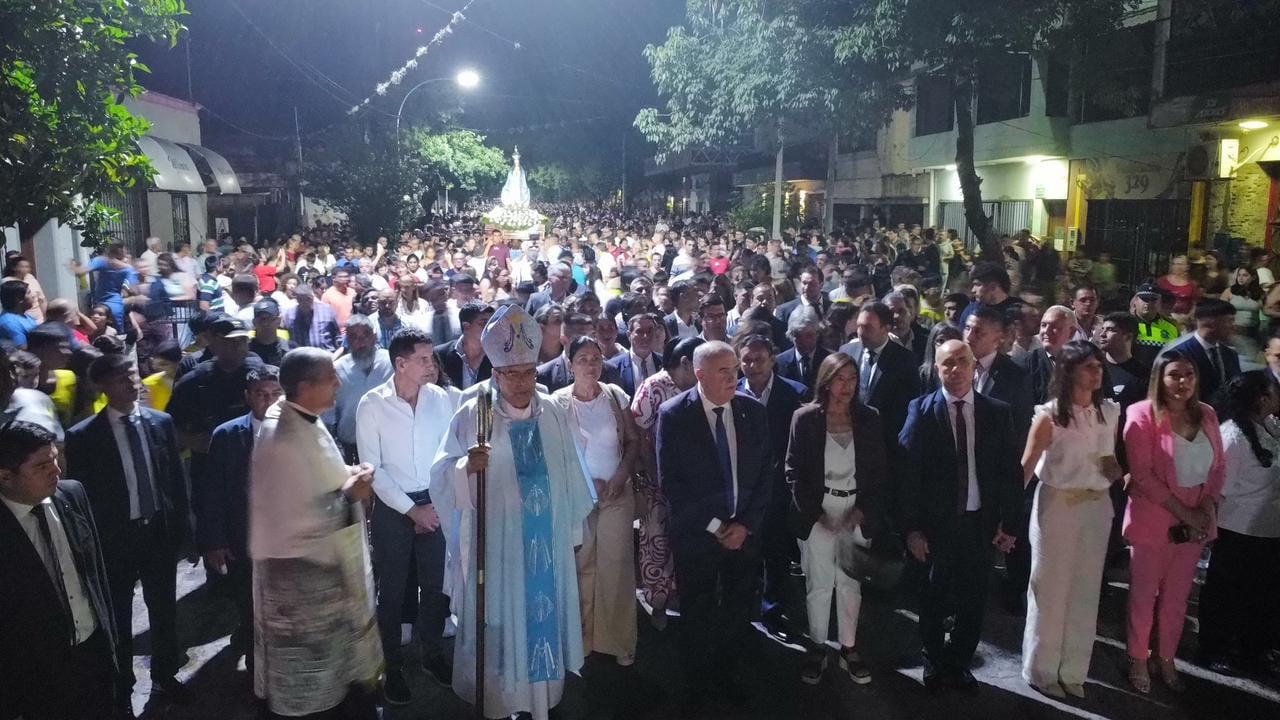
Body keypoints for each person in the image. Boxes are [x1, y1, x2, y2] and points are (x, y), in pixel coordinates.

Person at [430, 304, 595, 720]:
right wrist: (467, 468)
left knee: (542, 618)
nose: (522, 382)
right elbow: (441, 473)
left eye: (528, 372)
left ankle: (540, 701)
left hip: (547, 545)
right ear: (496, 373)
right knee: (501, 624)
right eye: (511, 374)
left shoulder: (552, 411)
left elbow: (571, 471)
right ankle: (502, 703)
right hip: (499, 547)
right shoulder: (475, 411)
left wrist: (572, 533)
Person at [249, 348, 382, 719]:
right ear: (305, 387)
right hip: (301, 588)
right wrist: (349, 493)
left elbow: (312, 480)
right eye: (330, 378)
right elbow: (289, 519)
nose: (339, 383)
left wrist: (347, 474)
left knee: (341, 675)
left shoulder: (299, 416)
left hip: (324, 583)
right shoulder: (283, 437)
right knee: (316, 693)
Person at [65, 353, 191, 713]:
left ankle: (166, 674)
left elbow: (174, 480)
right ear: (102, 385)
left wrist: (182, 530)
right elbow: (82, 495)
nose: (132, 383)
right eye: (122, 377)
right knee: (118, 615)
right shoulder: (85, 436)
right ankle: (122, 685)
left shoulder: (160, 422)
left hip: (158, 533)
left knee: (164, 609)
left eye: (134, 375)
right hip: (115, 539)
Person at [898, 340, 1022, 694]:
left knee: (973, 598)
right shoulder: (921, 410)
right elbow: (907, 475)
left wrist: (1010, 524)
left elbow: (1010, 473)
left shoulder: (997, 412)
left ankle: (959, 663)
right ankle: (934, 660)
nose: (955, 370)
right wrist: (912, 530)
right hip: (937, 526)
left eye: (962, 362)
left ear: (974, 366)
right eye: (947, 363)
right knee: (933, 596)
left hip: (979, 523)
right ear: (936, 369)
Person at [656, 341, 774, 712]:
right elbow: (673, 484)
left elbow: (765, 475)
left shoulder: (753, 411)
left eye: (734, 368)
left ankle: (729, 675)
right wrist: (718, 528)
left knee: (738, 611)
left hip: (744, 536)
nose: (734, 377)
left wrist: (746, 525)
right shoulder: (674, 415)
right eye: (723, 371)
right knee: (698, 613)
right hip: (697, 538)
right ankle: (697, 685)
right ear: (700, 374)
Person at [1017, 341, 1123, 699]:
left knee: (1085, 589)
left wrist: (1117, 472)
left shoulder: (1108, 411)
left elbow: (1109, 458)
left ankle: (1073, 669)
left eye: (1099, 366)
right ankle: (1042, 669)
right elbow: (1026, 467)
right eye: (1089, 366)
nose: (1097, 372)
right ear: (1069, 371)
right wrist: (1006, 517)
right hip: (1058, 505)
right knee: (1050, 589)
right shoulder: (1049, 416)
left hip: (1097, 506)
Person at [355, 328, 456, 704]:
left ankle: (432, 653)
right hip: (393, 507)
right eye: (423, 359)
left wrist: (436, 503)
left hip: (435, 503)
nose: (432, 365)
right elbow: (373, 469)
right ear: (401, 364)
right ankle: (391, 665)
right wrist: (412, 510)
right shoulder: (372, 405)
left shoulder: (440, 399)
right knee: (393, 591)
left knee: (435, 586)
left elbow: (449, 453)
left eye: (432, 358)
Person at [1121, 350, 1226, 693]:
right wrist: (1187, 513)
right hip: (1155, 519)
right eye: (1174, 375)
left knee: (1177, 598)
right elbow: (1142, 475)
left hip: (1195, 524)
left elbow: (1218, 468)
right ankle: (1137, 656)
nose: (1183, 382)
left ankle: (1166, 656)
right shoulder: (1141, 414)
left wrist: (1205, 508)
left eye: (1189, 375)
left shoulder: (1207, 414)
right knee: (1144, 595)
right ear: (1159, 379)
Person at [0, 421, 119, 720]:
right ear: (5, 476)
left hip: (93, 654)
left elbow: (96, 574)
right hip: (36, 675)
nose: (56, 470)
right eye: (42, 466)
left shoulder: (72, 495)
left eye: (55, 458)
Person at [786, 352, 888, 686]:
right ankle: (817, 646)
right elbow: (793, 472)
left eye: (852, 379)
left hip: (855, 510)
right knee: (818, 583)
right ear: (826, 382)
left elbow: (879, 472)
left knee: (850, 584)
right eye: (839, 379)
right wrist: (816, 515)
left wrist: (862, 511)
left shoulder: (869, 418)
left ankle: (848, 648)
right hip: (817, 512)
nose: (846, 387)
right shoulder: (805, 419)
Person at [553, 336, 641, 666]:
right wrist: (585, 483)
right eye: (583, 359)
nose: (590, 365)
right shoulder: (557, 403)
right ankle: (583, 640)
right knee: (581, 568)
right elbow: (555, 454)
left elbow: (632, 441)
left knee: (616, 568)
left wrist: (620, 476)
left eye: (595, 358)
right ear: (570, 364)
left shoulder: (615, 396)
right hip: (577, 498)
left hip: (616, 494)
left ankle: (618, 641)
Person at [195, 364, 282, 674]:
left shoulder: (299, 430)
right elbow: (213, 492)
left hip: (286, 538)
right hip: (244, 537)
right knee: (250, 604)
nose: (269, 401)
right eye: (261, 394)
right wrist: (214, 542)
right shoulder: (228, 435)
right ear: (247, 397)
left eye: (275, 394)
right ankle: (257, 670)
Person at [1197, 372, 1280, 676]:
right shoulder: (1232, 436)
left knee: (1261, 594)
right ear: (1262, 398)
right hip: (1237, 530)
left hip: (1268, 529)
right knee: (1226, 593)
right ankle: (1212, 649)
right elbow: (1219, 489)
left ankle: (1252, 649)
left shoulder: (1270, 426)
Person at [630, 336, 705, 629]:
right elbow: (638, 434)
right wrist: (652, 475)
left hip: (695, 485)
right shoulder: (654, 387)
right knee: (658, 545)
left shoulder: (701, 387)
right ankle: (659, 605)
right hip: (657, 484)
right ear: (685, 363)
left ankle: (690, 603)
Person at [736, 333, 807, 641]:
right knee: (744, 555)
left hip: (779, 490)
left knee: (776, 553)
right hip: (743, 491)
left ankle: (773, 611)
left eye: (759, 360)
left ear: (773, 359)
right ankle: (743, 613)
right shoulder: (731, 393)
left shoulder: (795, 394)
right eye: (747, 360)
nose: (753, 366)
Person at [839, 301, 918, 446]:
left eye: (868, 328)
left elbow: (906, 406)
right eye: (859, 326)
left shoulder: (904, 361)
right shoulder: (846, 352)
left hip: (885, 442)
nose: (861, 333)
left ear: (886, 328)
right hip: (848, 438)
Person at [329, 315, 393, 461]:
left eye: (366, 335)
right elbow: (329, 413)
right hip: (351, 446)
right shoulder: (336, 370)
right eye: (354, 337)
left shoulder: (392, 362)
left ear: (375, 337)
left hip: (389, 444)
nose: (361, 341)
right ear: (347, 340)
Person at [1166, 299, 1240, 403]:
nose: (1233, 326)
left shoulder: (1230, 354)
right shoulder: (1181, 354)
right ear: (1210, 322)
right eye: (1229, 321)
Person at [535, 312, 621, 392]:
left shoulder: (610, 371)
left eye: (592, 336)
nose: (588, 342)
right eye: (580, 338)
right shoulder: (543, 375)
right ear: (564, 340)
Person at [69, 244, 138, 329]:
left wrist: (72, 266)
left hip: (100, 306)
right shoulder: (128, 269)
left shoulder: (102, 261)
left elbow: (80, 271)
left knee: (96, 329)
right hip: (115, 306)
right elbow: (132, 289)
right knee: (117, 332)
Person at [436, 300, 494, 390]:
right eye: (484, 323)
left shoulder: (498, 355)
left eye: (492, 322)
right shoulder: (441, 354)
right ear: (466, 326)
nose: (490, 327)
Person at [775, 305, 831, 394]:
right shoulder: (779, 362)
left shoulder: (829, 360)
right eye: (798, 336)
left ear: (817, 334)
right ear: (791, 336)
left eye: (809, 335)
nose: (804, 341)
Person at [607, 312, 662, 398]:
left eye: (650, 331)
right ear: (629, 335)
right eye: (639, 331)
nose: (646, 336)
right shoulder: (613, 367)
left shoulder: (665, 362)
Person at [1131, 283, 1180, 369]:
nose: (1149, 303)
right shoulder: (1126, 324)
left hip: (1159, 374)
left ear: (1160, 303)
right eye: (1145, 299)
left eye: (1153, 299)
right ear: (1135, 301)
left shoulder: (1172, 328)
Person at [282, 285, 340, 351]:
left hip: (325, 354)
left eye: (308, 299)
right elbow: (283, 334)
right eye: (301, 299)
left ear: (313, 296)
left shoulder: (327, 311)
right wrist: (285, 350)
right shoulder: (290, 315)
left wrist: (338, 352)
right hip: (300, 355)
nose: (305, 302)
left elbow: (337, 335)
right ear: (297, 299)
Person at [1156, 253, 1200, 321]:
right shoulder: (1161, 281)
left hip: (1183, 321)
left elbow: (1195, 304)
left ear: (1187, 266)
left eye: (1180, 264)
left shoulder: (1192, 285)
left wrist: (1187, 317)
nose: (1177, 266)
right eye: (1174, 264)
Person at [248, 299, 292, 367]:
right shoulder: (246, 352)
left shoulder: (289, 349)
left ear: (278, 321)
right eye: (261, 319)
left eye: (270, 319)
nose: (265, 323)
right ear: (254, 322)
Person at [0, 279, 37, 348]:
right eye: (29, 293)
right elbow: (22, 349)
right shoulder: (10, 323)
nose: (33, 295)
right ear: (18, 299)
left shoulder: (24, 316)